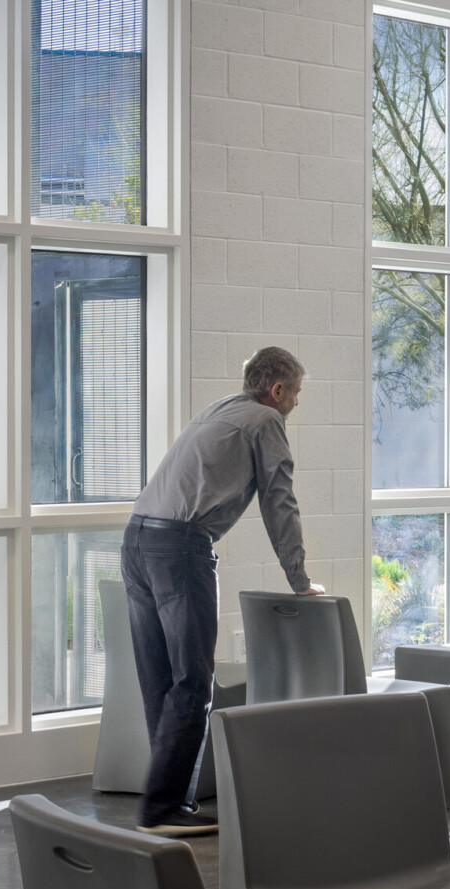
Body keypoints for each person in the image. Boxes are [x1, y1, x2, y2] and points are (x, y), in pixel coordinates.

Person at [121, 347, 322, 836]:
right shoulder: (264, 420)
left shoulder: (222, 409)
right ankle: (163, 809)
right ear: (278, 390)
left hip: (137, 538)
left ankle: (166, 803)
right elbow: (280, 501)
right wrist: (300, 580)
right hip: (179, 547)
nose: (295, 403)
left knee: (163, 682)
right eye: (296, 393)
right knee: (192, 682)